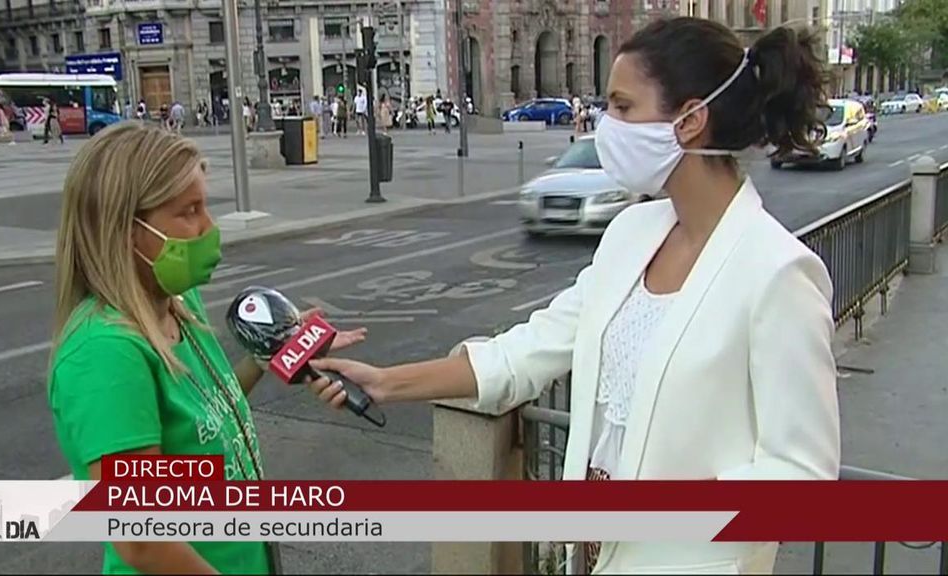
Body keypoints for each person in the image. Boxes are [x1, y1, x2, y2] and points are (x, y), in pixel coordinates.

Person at [307, 17, 840, 575]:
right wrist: (386, 382)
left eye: (623, 107)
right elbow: (527, 351)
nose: (605, 124)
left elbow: (801, 478)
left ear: (690, 120)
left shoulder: (778, 272)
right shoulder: (633, 234)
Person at [47, 122, 367, 574]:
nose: (208, 227)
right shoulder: (105, 355)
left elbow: (209, 413)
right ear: (125, 229)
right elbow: (141, 538)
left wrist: (271, 356)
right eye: (189, 211)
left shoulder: (175, 301)